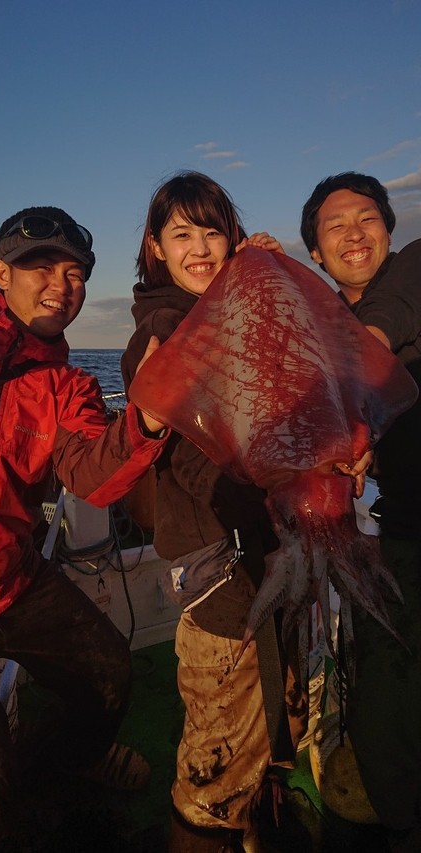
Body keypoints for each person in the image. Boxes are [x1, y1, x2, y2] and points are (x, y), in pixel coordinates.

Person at [0, 206, 169, 852]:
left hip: (11, 582)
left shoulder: (69, 387)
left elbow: (93, 474)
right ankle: (2, 787)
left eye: (75, 273)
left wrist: (144, 425)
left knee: (110, 676)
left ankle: (46, 769)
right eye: (42, 265)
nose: (62, 285)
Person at [121, 172, 310, 853]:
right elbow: (204, 455)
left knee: (259, 753)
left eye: (213, 231)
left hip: (268, 564)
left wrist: (266, 276)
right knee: (213, 780)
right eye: (182, 234)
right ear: (155, 250)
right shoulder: (168, 328)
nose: (200, 247)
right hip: (228, 588)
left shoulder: (224, 308)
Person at [300, 172, 421, 849]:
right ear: (316, 252)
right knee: (385, 704)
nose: (353, 230)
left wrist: (354, 399)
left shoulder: (416, 269)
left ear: (390, 232)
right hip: (403, 523)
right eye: (334, 224)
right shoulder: (325, 323)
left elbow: (392, 317)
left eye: (367, 216)